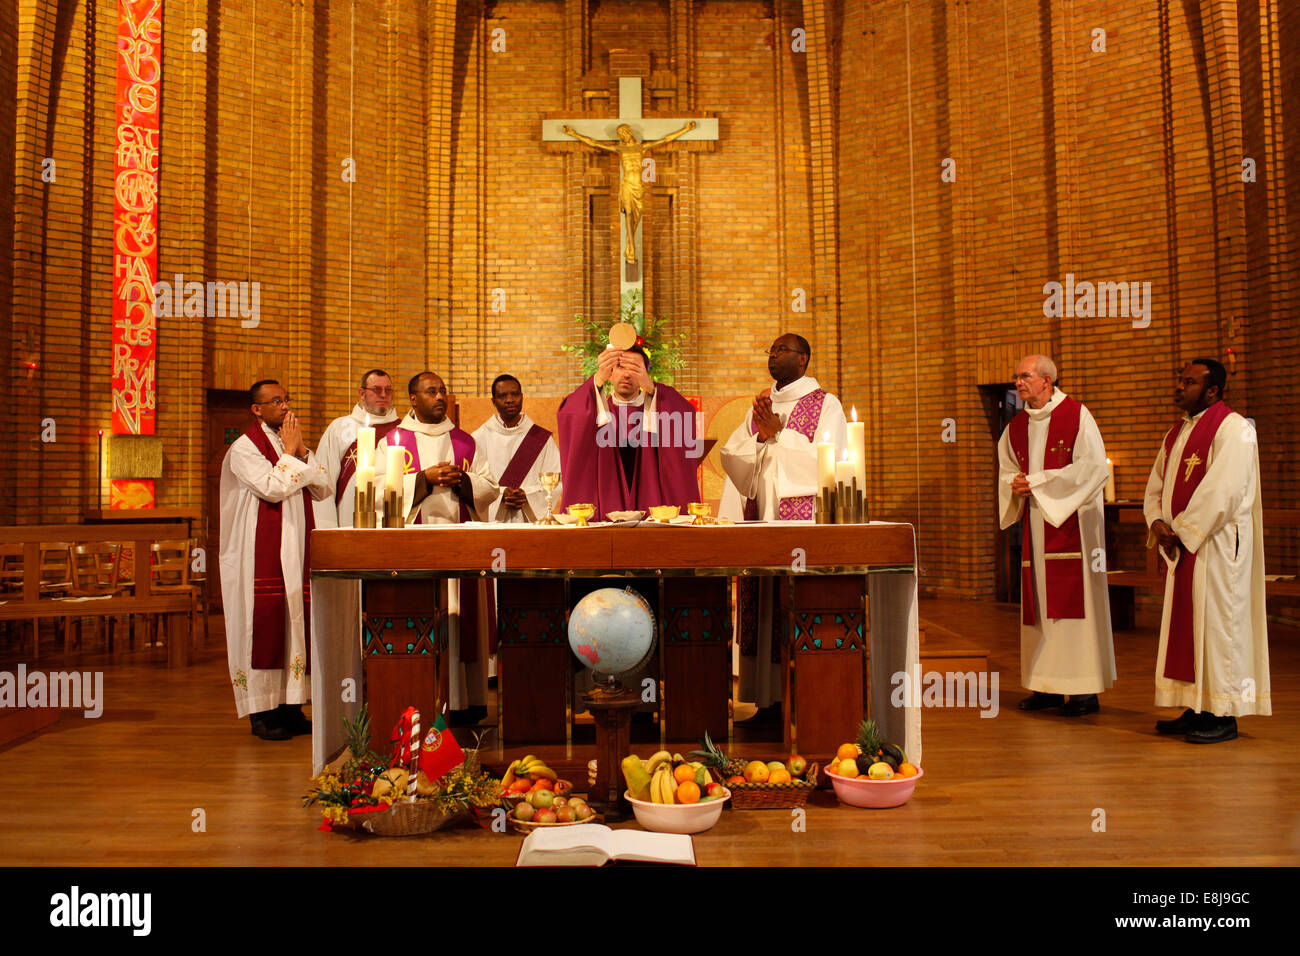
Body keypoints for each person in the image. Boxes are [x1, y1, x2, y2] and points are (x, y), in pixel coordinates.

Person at [719, 333, 848, 715]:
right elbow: (735, 458)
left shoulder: (827, 405)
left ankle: (804, 698)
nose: (773, 355)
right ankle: (767, 701)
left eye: (782, 350)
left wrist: (780, 434)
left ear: (804, 359)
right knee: (763, 606)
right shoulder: (761, 405)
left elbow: (833, 462)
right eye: (771, 350)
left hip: (803, 522)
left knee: (793, 603)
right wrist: (760, 436)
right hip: (762, 516)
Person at [1143, 358, 1270, 743]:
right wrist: (1156, 521)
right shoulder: (1177, 433)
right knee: (1189, 629)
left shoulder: (1234, 429)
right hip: (1185, 545)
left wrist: (1180, 530)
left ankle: (1223, 714)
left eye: (1189, 382)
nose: (1179, 388)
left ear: (1213, 390)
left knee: (1218, 628)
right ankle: (1195, 705)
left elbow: (1225, 489)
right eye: (1180, 381)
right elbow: (1157, 485)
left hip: (1215, 547)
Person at [997, 355, 1116, 717]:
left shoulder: (1077, 415)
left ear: (1047, 380)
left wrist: (1040, 483)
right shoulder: (1016, 426)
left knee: (1072, 611)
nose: (1018, 383)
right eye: (1017, 377)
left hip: (1073, 527)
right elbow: (1007, 469)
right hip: (1036, 525)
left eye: (1025, 376)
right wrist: (1015, 485)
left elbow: (1093, 468)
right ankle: (1046, 686)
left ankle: (1082, 691)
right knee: (1039, 611)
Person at [374, 372, 498, 718]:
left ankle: (464, 703)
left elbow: (489, 485)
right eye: (431, 391)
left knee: (462, 620)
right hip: (418, 543)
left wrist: (464, 481)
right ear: (413, 399)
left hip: (461, 541)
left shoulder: (465, 442)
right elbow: (378, 489)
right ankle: (423, 699)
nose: (440, 396)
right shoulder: (394, 440)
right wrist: (422, 480)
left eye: (442, 390)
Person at [219, 380, 332, 740]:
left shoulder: (291, 444)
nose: (285, 407)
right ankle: (262, 713)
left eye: (287, 399)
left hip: (296, 548)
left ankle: (292, 707)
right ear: (257, 409)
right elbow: (272, 487)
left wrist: (297, 452)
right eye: (276, 401)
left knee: (295, 624)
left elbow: (323, 486)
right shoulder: (243, 448)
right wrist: (294, 453)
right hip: (258, 554)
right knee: (263, 624)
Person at [307, 368, 400, 772]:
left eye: (387, 389)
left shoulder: (403, 430)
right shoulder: (340, 430)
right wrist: (329, 538)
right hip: (350, 531)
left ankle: (388, 685)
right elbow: (323, 484)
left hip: (392, 528)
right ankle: (353, 686)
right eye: (375, 389)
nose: (382, 395)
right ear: (360, 392)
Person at [556, 344, 700, 517]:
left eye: (634, 368)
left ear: (645, 374)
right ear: (609, 373)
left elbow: (685, 413)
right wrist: (597, 380)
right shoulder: (598, 412)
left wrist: (654, 389)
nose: (626, 374)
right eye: (620, 367)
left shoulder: (659, 408)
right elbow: (569, 414)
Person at [560, 122, 696, 263]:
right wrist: (573, 134)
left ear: (629, 132)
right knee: (629, 214)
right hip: (626, 185)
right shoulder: (620, 149)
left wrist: (685, 129)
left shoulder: (641, 147)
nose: (622, 136)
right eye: (620, 134)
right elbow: (594, 143)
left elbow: (666, 139)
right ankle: (631, 246)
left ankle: (630, 246)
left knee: (638, 214)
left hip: (638, 186)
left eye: (623, 133)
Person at [472, 374, 562, 523]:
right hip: (493, 524)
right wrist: (500, 495)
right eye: (502, 396)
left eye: (514, 394)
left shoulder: (541, 439)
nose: (509, 400)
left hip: (531, 522)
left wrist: (527, 495)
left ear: (522, 397)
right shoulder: (479, 438)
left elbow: (556, 480)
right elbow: (474, 482)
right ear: (493, 401)